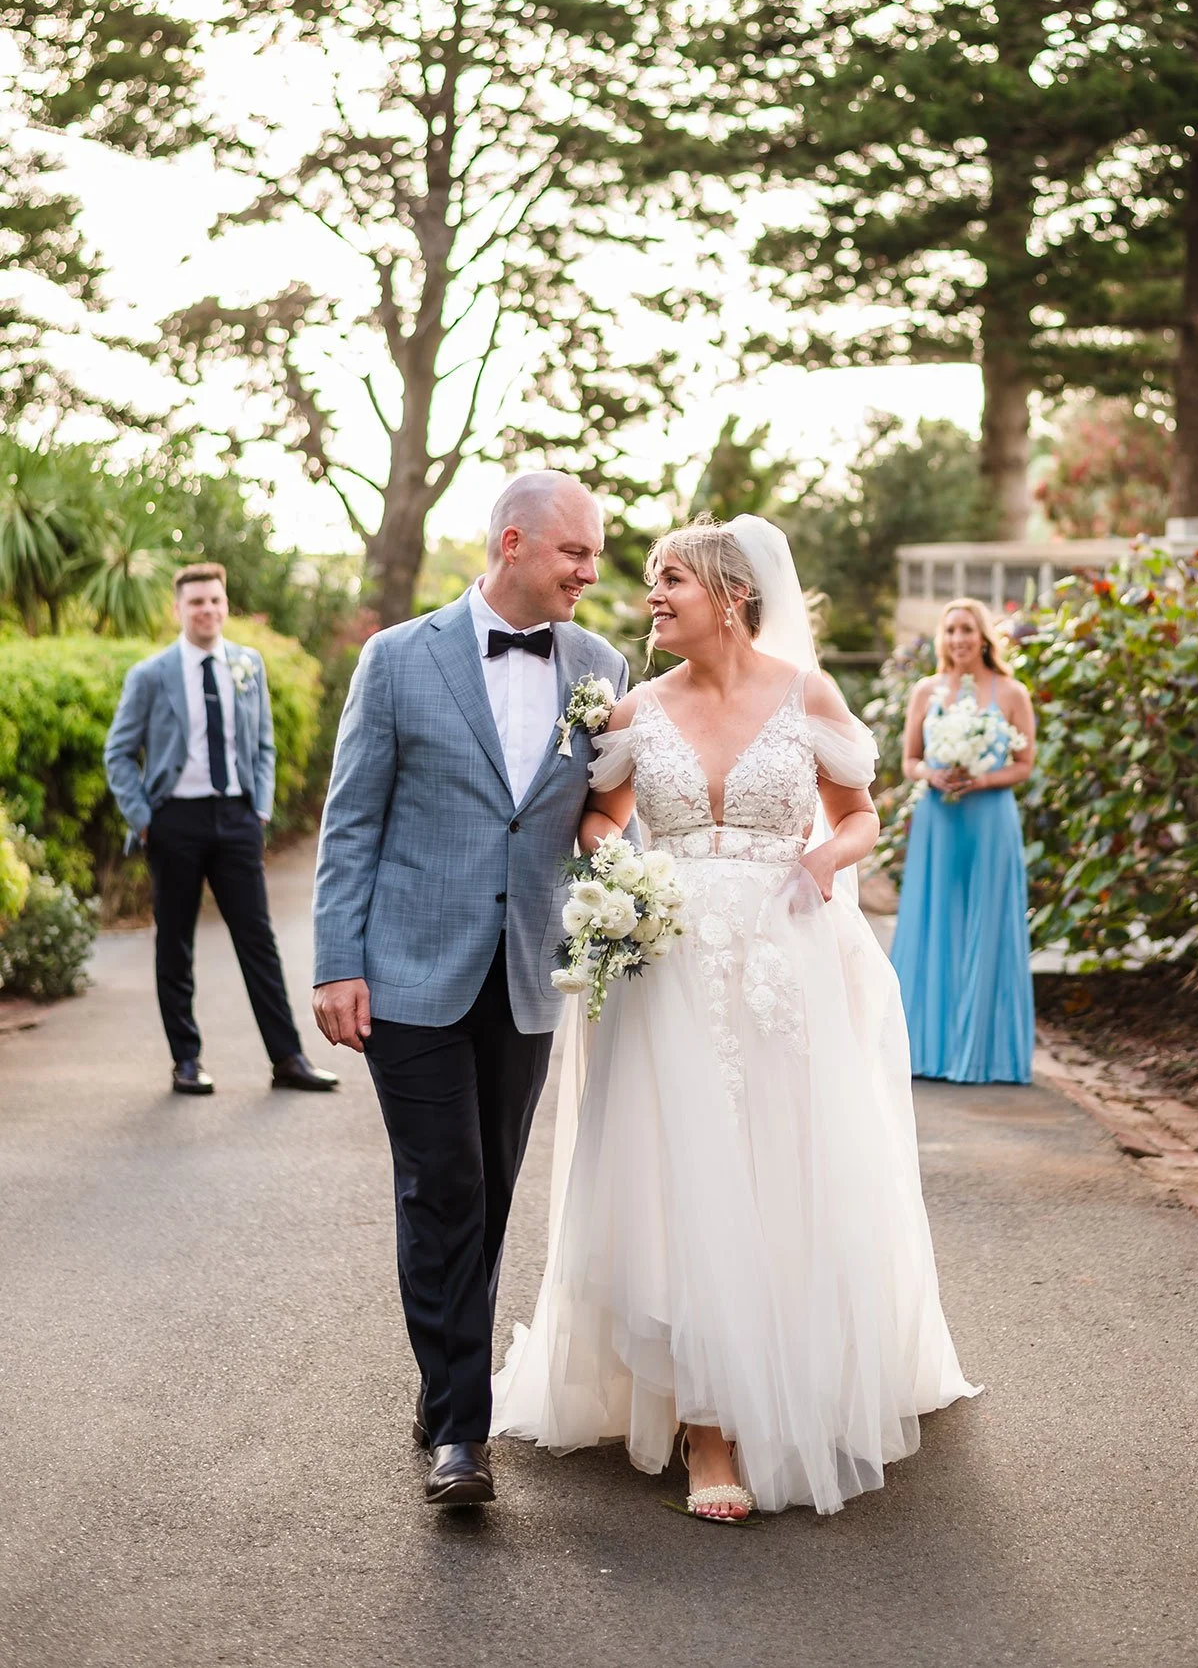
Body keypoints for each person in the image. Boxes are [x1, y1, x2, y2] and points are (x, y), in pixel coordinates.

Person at [491, 516, 976, 1520]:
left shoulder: (809, 697)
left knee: (777, 1169)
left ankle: (778, 1382)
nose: (650, 597)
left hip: (782, 958)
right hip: (664, 963)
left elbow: (860, 817)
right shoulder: (634, 705)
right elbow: (601, 817)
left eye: (670, 581)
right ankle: (707, 1428)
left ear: (732, 594)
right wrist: (612, 867)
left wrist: (822, 861)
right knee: (679, 1179)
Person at [311, 472, 630, 1510]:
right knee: (442, 1182)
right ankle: (462, 1429)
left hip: (530, 969)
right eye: (575, 553)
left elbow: (601, 812)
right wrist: (335, 961)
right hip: (408, 968)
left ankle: (440, 1376)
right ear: (512, 542)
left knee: (488, 1189)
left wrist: (621, 877)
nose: (591, 571)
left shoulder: (600, 666)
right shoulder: (398, 659)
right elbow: (351, 819)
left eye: (595, 555)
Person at [103, 562, 336, 1100]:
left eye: (214, 600)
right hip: (174, 822)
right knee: (176, 943)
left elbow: (263, 745)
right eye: (195, 603)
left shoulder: (247, 664)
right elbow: (118, 753)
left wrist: (258, 809)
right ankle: (186, 1061)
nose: (207, 610)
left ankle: (288, 1058)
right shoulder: (151, 674)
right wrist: (144, 820)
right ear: (178, 609)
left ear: (224, 604)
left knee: (258, 940)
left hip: (236, 821)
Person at [890, 597, 1036, 1085]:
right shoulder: (926, 691)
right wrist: (932, 774)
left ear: (983, 637)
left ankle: (984, 1056)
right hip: (939, 819)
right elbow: (910, 760)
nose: (959, 639)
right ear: (942, 637)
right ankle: (927, 1051)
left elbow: (1025, 763)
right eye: (951, 630)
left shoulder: (1012, 692)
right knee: (935, 922)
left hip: (990, 820)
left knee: (987, 923)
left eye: (968, 630)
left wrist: (982, 779)